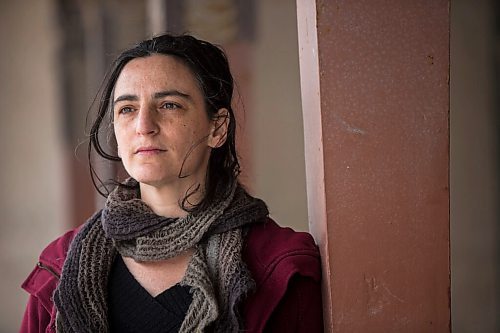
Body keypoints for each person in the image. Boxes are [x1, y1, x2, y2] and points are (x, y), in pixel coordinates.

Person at [20, 34, 323, 333]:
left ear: (217, 128)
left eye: (169, 105)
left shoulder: (279, 266)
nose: (143, 126)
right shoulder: (59, 267)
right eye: (127, 109)